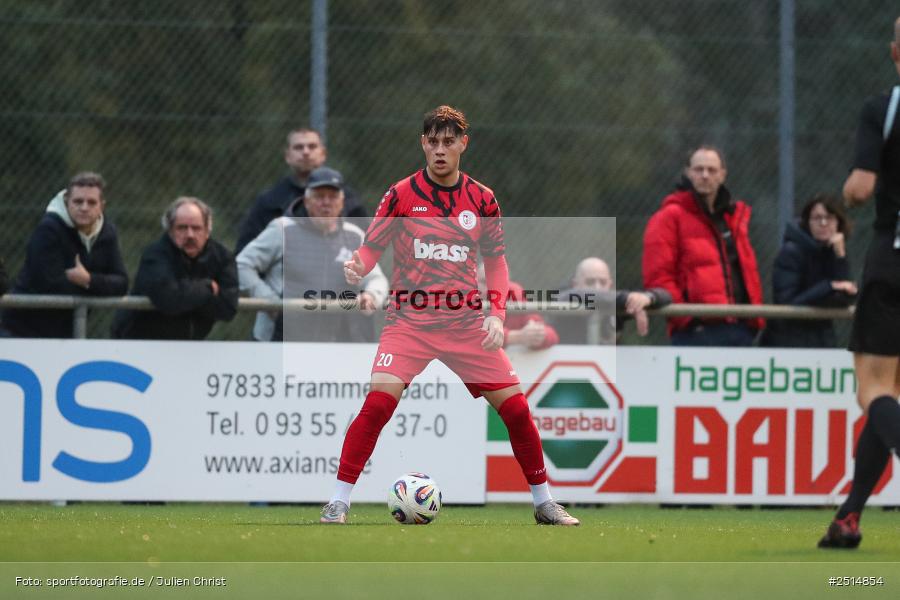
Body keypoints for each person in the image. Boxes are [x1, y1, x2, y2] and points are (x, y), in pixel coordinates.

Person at [321, 105, 579, 526]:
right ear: (423, 143)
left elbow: (496, 263)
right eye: (433, 141)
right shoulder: (402, 193)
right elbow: (372, 246)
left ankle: (544, 502)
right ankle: (338, 502)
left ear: (463, 144)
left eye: (448, 142)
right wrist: (359, 267)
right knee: (378, 404)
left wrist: (496, 315)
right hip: (409, 322)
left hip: (463, 324)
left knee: (516, 410)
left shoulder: (482, 199)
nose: (440, 150)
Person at [818, 17, 900, 549]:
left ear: (896, 52)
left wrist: (848, 194)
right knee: (893, 396)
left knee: (873, 390)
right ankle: (848, 517)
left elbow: (861, 187)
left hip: (894, 258)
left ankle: (849, 514)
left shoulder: (885, 108)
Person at [237, 166, 388, 342]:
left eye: (332, 197)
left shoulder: (354, 236)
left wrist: (371, 295)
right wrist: (267, 300)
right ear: (306, 201)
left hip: (332, 343)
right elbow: (242, 264)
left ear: (342, 203)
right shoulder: (281, 229)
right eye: (319, 196)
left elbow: (377, 279)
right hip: (278, 340)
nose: (326, 202)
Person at [642, 145, 764, 346]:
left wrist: (752, 321)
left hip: (740, 330)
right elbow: (658, 276)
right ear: (688, 173)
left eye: (712, 170)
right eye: (699, 170)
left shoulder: (734, 218)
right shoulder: (669, 217)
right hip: (696, 334)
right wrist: (689, 319)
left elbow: (746, 273)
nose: (705, 175)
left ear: (723, 175)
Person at [1, 172, 128, 338]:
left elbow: (121, 283)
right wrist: (99, 287)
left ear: (102, 206)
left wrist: (89, 280)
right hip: (19, 330)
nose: (84, 207)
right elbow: (50, 284)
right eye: (78, 201)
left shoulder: (108, 233)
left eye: (91, 202)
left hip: (65, 335)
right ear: (67, 201)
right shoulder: (48, 229)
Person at [112, 197, 238, 340]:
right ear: (170, 231)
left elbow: (228, 308)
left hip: (190, 346)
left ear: (207, 231)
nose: (190, 235)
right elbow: (168, 299)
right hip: (139, 342)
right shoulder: (155, 255)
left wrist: (184, 296)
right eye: (182, 228)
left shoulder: (222, 257)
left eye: (196, 228)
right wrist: (206, 288)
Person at [235, 128, 369, 254]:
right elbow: (247, 251)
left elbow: (367, 249)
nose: (305, 152)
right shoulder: (270, 201)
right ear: (287, 156)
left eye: (312, 146)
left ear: (323, 154)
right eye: (298, 147)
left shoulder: (349, 199)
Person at [762, 194, 857, 348]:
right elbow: (786, 304)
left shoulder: (834, 250)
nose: (823, 223)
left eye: (830, 217)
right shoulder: (791, 252)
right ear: (807, 222)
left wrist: (840, 256)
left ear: (839, 222)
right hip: (787, 342)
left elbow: (845, 295)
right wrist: (829, 286)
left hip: (822, 340)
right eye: (817, 218)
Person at [554, 257, 671, 344]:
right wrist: (627, 298)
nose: (597, 288)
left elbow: (667, 296)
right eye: (590, 282)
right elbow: (577, 295)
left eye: (602, 282)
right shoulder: (564, 298)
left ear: (610, 284)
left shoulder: (617, 303)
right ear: (575, 284)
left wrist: (648, 298)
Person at [476, 262, 558, 351]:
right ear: (474, 280)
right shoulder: (465, 295)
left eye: (498, 283)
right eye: (485, 282)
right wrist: (518, 337)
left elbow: (552, 335)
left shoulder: (514, 293)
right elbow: (474, 337)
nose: (491, 288)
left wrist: (538, 335)